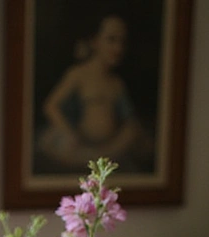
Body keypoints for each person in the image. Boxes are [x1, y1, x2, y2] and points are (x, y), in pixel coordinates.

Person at [36, 14, 153, 173]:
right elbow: (51, 106)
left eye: (122, 42)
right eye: (111, 40)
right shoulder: (78, 74)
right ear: (95, 41)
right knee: (57, 142)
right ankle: (91, 159)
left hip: (110, 146)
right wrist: (69, 132)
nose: (118, 48)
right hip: (79, 143)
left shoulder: (116, 83)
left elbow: (128, 118)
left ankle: (102, 159)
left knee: (133, 132)